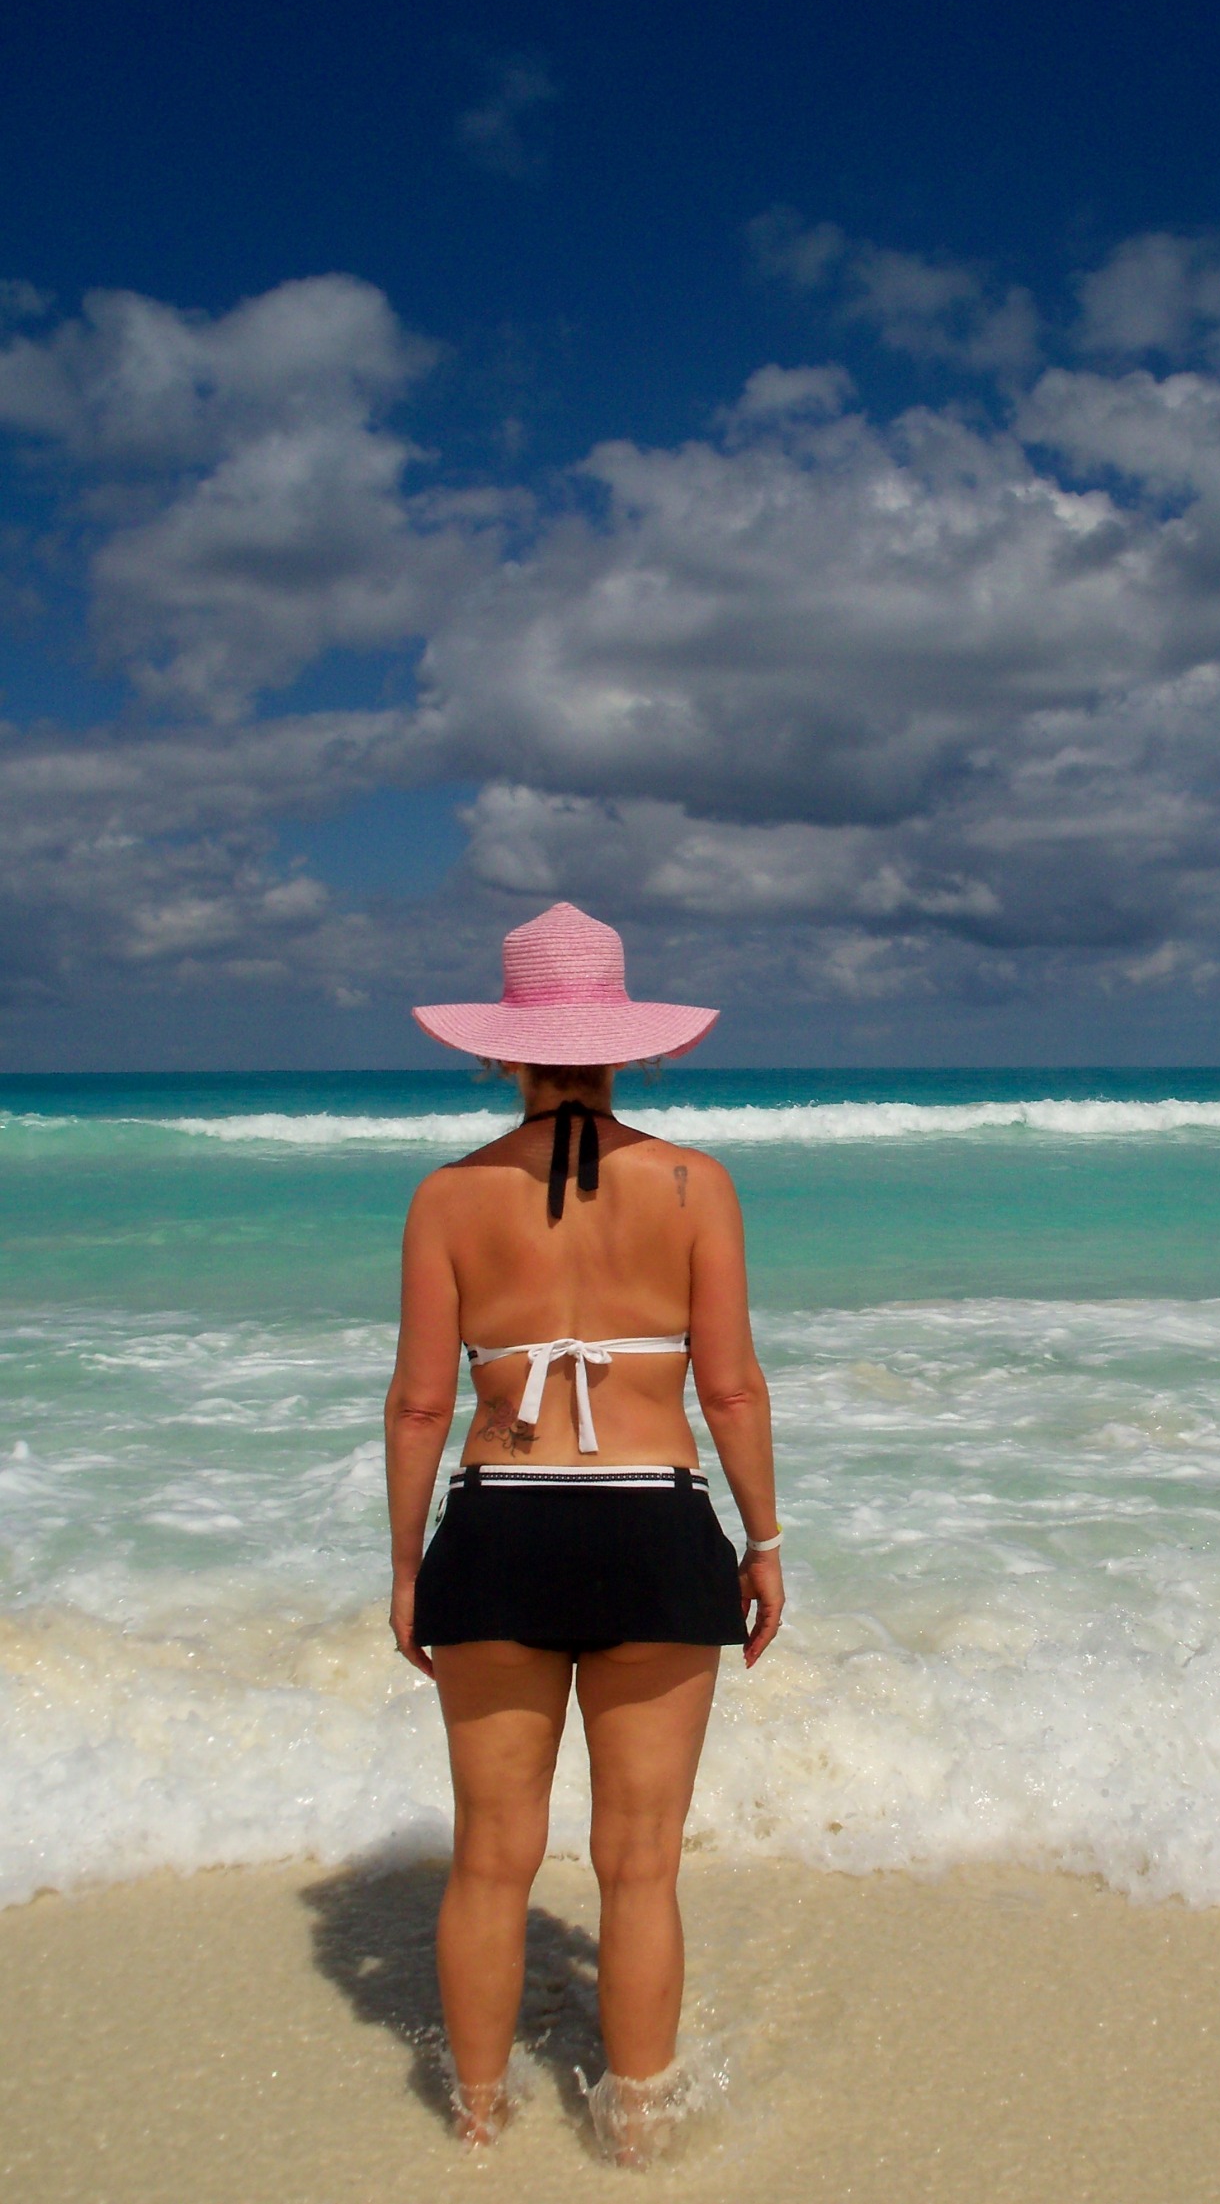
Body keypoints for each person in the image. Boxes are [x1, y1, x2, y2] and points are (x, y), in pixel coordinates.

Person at [384, 902, 784, 2159]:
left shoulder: (448, 1198)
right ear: (633, 1048)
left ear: (501, 1050)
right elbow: (728, 1389)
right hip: (652, 1532)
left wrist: (407, 1569)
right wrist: (763, 1543)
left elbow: (415, 1402)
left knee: (491, 1858)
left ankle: (478, 2114)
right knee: (640, 1863)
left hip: (496, 1527)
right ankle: (639, 2130)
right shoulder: (693, 1182)